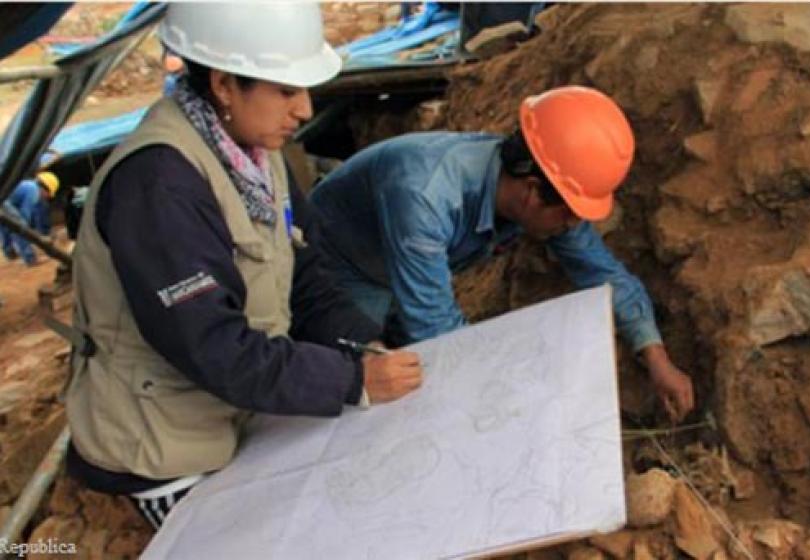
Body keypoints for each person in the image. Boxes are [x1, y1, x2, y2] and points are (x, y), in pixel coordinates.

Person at [64, 3, 422, 530]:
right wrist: (351, 381)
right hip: (165, 451)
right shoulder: (159, 185)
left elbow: (305, 281)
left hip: (238, 411)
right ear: (225, 84)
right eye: (285, 90)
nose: (304, 110)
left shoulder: (254, 154)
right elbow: (212, 346)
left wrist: (363, 345)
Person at [310, 86, 694, 422]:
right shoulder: (425, 194)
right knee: (368, 389)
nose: (573, 226)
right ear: (531, 190)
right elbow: (436, 328)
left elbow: (603, 272)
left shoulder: (537, 193)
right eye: (570, 215)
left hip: (401, 267)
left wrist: (657, 358)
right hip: (337, 268)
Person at [1, 171, 59, 265]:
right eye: (48, 195)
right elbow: (24, 217)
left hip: (3, 199)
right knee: (19, 225)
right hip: (3, 200)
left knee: (5, 223)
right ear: (45, 189)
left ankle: (9, 252)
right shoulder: (34, 191)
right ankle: (30, 258)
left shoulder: (28, 185)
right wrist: (35, 236)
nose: (47, 197)